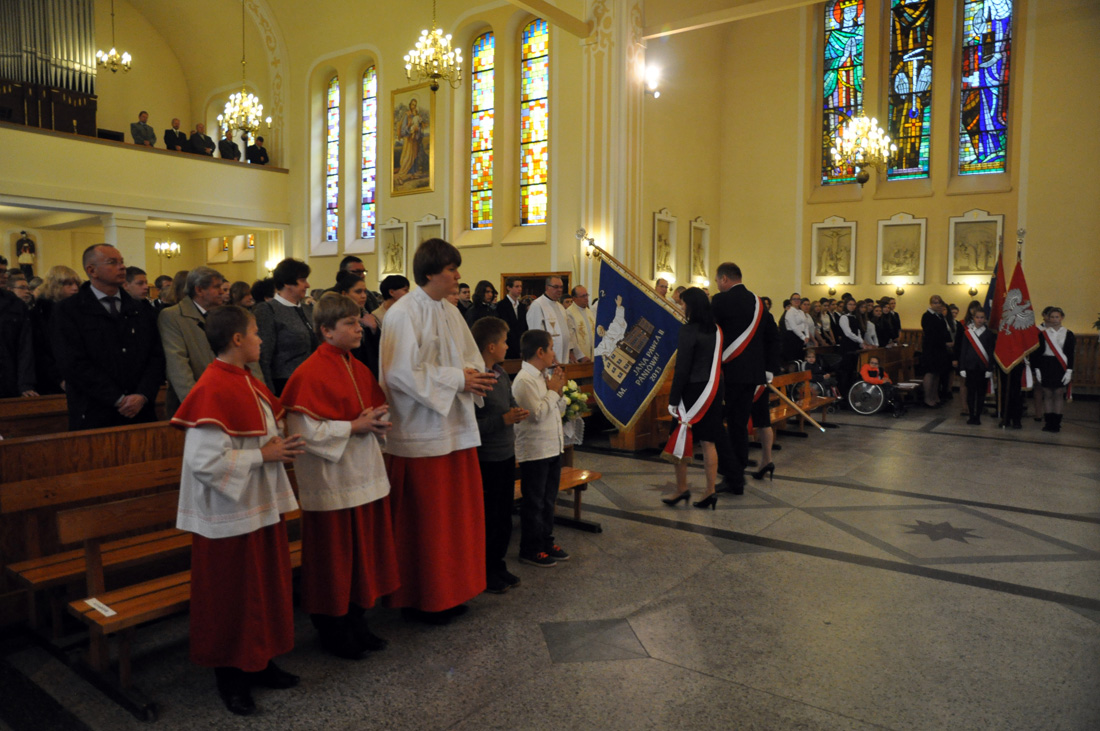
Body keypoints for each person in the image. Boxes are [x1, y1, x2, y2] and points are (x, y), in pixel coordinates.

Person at [171, 305, 303, 717]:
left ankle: (260, 661)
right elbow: (205, 462)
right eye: (256, 332)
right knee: (231, 596)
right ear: (237, 339)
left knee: (261, 587)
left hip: (257, 504)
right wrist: (264, 455)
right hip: (228, 514)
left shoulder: (246, 380)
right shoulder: (213, 388)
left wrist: (274, 446)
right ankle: (231, 678)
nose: (261, 339)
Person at [379, 238, 495, 624]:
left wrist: (474, 376)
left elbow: (470, 357)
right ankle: (422, 597)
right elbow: (399, 372)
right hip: (421, 432)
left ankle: (453, 591)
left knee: (455, 521)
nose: (458, 276)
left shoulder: (450, 310)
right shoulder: (402, 313)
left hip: (454, 427)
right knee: (427, 523)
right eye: (451, 269)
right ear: (430, 272)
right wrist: (459, 379)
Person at [281, 293, 400, 659]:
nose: (359, 328)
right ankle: (333, 628)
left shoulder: (357, 367)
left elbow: (372, 410)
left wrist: (376, 421)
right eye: (349, 323)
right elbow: (304, 432)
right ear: (326, 330)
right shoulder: (308, 374)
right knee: (335, 559)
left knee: (362, 555)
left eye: (358, 321)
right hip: (332, 481)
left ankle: (358, 620)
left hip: (362, 473)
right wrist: (353, 426)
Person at [53, 244, 164, 428]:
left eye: (122, 262)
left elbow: (156, 355)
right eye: (112, 262)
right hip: (93, 411)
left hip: (140, 409)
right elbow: (72, 362)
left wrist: (142, 394)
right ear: (92, 270)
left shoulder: (140, 309)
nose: (122, 267)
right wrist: (118, 399)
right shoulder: (69, 310)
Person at [471, 317, 529, 593]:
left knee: (504, 514)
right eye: (504, 342)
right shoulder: (475, 377)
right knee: (489, 517)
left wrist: (516, 411)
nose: (508, 346)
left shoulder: (501, 373)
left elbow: (509, 402)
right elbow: (470, 424)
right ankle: (484, 570)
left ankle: (498, 563)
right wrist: (503, 420)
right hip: (486, 458)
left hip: (506, 453)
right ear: (491, 346)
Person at [710, 262, 778, 495]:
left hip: (727, 374)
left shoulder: (720, 301)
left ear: (725, 279)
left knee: (717, 425)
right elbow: (773, 337)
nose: (717, 284)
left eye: (717, 280)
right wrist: (769, 369)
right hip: (753, 376)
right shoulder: (759, 303)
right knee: (738, 425)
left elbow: (710, 333)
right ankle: (736, 475)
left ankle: (733, 474)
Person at [160, 266, 260, 415]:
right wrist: (198, 406)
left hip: (232, 396)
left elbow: (248, 355)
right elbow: (178, 365)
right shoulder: (173, 316)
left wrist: (259, 394)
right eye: (216, 287)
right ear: (199, 290)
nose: (222, 292)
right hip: (198, 402)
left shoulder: (228, 314)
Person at [662, 287, 725, 509]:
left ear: (691, 306)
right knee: (708, 442)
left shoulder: (688, 330)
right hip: (713, 391)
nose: (681, 307)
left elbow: (682, 368)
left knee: (680, 436)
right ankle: (710, 490)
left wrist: (673, 399)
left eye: (683, 303)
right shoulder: (717, 329)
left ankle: (682, 489)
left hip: (691, 392)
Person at [512, 329, 568, 566]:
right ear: (540, 352)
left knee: (547, 500)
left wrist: (559, 391)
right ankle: (530, 549)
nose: (554, 353)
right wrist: (553, 391)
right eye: (551, 348)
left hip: (552, 446)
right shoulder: (524, 380)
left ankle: (546, 541)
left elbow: (558, 410)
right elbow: (536, 415)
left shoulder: (543, 376)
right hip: (535, 451)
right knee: (534, 503)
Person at [254, 258, 317, 395]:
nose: (307, 285)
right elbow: (264, 357)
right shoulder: (268, 310)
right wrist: (269, 393)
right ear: (287, 283)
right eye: (302, 280)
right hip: (284, 385)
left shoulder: (308, 310)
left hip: (310, 381)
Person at [29, 266, 80, 395]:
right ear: (55, 286)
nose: (75, 288)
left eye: (76, 284)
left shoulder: (77, 312)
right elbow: (40, 350)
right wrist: (58, 377)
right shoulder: (40, 314)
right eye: (69, 284)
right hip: (50, 381)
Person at [332, 270, 381, 376]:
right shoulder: (338, 319)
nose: (364, 296)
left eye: (365, 292)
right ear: (344, 294)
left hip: (368, 371)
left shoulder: (367, 315)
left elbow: (378, 349)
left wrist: (374, 329)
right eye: (358, 292)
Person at [1034, 306, 1074, 433]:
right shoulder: (1043, 334)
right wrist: (1037, 369)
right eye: (1052, 317)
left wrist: (1069, 370)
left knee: (1058, 393)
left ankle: (1056, 423)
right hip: (1046, 364)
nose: (1054, 319)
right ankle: (1048, 422)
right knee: (1047, 393)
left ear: (1062, 318)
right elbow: (1038, 353)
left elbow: (1070, 354)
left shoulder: (1068, 334)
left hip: (1060, 365)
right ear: (1048, 318)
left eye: (1057, 317)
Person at [527, 276, 583, 364]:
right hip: (547, 359)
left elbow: (567, 331)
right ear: (547, 287)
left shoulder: (560, 307)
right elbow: (536, 336)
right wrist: (547, 354)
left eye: (561, 287)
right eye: (556, 287)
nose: (559, 290)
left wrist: (571, 351)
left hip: (564, 357)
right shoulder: (537, 305)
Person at [958, 309, 996, 425]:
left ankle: (978, 416)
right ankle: (971, 416)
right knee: (970, 392)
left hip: (983, 368)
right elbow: (963, 350)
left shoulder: (989, 334)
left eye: (982, 317)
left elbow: (991, 352)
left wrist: (990, 368)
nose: (979, 320)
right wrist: (962, 367)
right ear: (973, 318)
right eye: (977, 317)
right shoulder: (968, 333)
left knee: (981, 393)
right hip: (970, 367)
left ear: (985, 319)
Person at [921, 295, 951, 408]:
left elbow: (944, 331)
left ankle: (935, 396)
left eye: (939, 303)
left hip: (940, 349)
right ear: (931, 304)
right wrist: (943, 342)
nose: (937, 305)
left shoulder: (940, 316)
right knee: (930, 372)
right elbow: (931, 333)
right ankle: (927, 398)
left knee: (937, 373)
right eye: (935, 303)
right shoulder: (927, 316)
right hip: (931, 349)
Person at [837, 296, 867, 401]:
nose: (852, 306)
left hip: (854, 346)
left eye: (854, 304)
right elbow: (848, 333)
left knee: (852, 371)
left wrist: (861, 343)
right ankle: (844, 395)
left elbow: (858, 331)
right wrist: (859, 340)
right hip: (847, 346)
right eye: (850, 304)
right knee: (846, 371)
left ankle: (851, 394)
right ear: (846, 305)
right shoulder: (843, 317)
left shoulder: (854, 317)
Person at [394, 98, 425, 184]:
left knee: (414, 156)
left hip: (414, 140)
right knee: (407, 157)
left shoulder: (417, 115)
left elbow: (419, 126)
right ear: (410, 105)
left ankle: (413, 173)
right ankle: (401, 176)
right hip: (408, 140)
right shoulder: (406, 115)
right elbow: (403, 130)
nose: (414, 106)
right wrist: (409, 127)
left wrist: (417, 129)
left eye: (415, 105)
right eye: (412, 105)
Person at [497, 277, 527, 359]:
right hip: (508, 346)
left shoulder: (522, 306)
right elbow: (504, 327)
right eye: (517, 286)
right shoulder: (501, 305)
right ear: (508, 288)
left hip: (520, 347)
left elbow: (524, 327)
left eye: (521, 286)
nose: (520, 289)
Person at [565, 286, 596, 360]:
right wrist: (580, 356)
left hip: (593, 354)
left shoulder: (589, 312)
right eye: (583, 296)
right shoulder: (569, 313)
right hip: (580, 357)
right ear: (574, 298)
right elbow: (572, 338)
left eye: (586, 295)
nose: (586, 298)